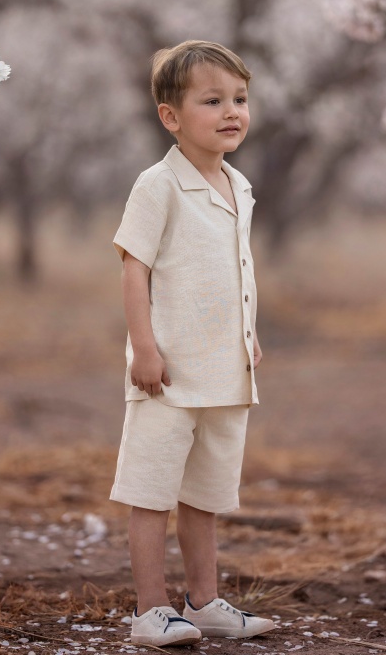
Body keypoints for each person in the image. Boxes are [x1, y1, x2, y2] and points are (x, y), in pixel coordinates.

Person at [110, 40, 276, 647]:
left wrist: (247, 332)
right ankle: (150, 611)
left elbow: (235, 267)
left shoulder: (240, 185)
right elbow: (135, 268)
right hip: (168, 376)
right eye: (213, 100)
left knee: (204, 495)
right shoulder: (158, 185)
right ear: (171, 116)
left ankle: (203, 601)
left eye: (240, 99)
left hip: (225, 374)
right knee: (152, 492)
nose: (232, 111)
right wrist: (144, 350)